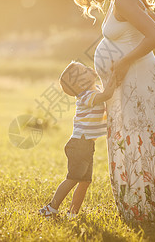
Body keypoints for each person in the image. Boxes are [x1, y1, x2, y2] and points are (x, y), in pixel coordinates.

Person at [68, 0, 155, 221]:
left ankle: (151, 207)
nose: (91, 1)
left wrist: (122, 61)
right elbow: (147, 22)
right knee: (130, 136)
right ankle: (141, 204)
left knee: (139, 136)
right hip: (127, 80)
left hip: (138, 78)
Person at [39, 61, 116, 218]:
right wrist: (116, 73)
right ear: (81, 84)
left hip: (86, 145)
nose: (89, 68)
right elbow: (107, 94)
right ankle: (51, 208)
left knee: (85, 182)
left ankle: (73, 213)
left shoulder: (94, 90)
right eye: (84, 71)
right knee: (73, 178)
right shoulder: (86, 96)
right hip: (79, 145)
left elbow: (105, 90)